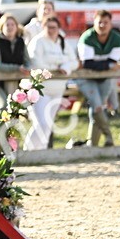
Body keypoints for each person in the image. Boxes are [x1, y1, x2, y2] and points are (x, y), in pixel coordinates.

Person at [24, 16, 79, 150]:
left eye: (54, 27)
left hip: (58, 89)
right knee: (41, 123)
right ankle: (28, 150)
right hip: (40, 89)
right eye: (48, 27)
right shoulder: (37, 42)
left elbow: (74, 62)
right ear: (43, 27)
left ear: (59, 28)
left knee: (48, 124)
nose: (51, 30)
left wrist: (66, 67)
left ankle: (41, 152)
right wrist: (57, 64)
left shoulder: (62, 42)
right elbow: (37, 63)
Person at [72, 10, 120, 148]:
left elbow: (110, 62)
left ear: (110, 23)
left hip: (104, 79)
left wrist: (105, 65)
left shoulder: (117, 38)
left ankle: (92, 144)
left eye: (105, 22)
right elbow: (88, 64)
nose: (102, 25)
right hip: (86, 78)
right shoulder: (87, 37)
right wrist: (107, 65)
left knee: (99, 107)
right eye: (99, 22)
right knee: (97, 106)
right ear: (94, 23)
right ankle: (109, 137)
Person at [0, 14, 30, 114]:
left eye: (12, 25)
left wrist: (27, 69)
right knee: (3, 106)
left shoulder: (21, 43)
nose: (10, 27)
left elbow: (27, 61)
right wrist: (17, 68)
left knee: (15, 110)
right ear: (2, 27)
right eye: (7, 25)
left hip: (16, 82)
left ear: (16, 27)